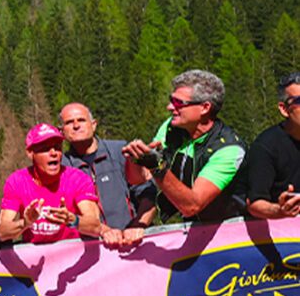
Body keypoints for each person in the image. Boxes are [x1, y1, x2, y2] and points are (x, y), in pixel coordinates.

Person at [125, 70, 247, 224]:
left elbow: (192, 206)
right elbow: (138, 179)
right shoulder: (171, 127)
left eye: (178, 103)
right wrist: (135, 160)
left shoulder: (229, 150)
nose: (170, 107)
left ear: (205, 107)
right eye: (171, 100)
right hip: (180, 227)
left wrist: (157, 167)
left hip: (226, 230)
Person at [59, 102, 149, 245]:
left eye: (81, 120)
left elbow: (148, 194)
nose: (76, 126)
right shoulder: (61, 167)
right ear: (61, 131)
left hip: (132, 243)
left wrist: (138, 225)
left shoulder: (120, 151)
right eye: (69, 122)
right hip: (90, 249)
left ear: (94, 125)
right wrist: (102, 231)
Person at [0, 124, 104, 244]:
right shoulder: (16, 181)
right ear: (30, 153)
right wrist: (25, 223)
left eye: (57, 147)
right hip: (34, 254)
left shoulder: (78, 179)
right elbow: (2, 232)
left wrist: (72, 220)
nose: (53, 153)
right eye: (45, 148)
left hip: (72, 252)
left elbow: (96, 227)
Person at [244, 73, 300, 220]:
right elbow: (254, 203)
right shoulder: (266, 146)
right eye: (299, 101)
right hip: (282, 227)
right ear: (284, 109)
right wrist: (280, 211)